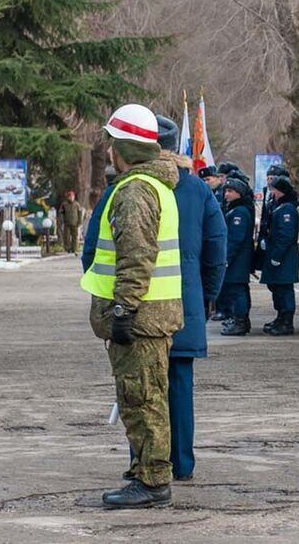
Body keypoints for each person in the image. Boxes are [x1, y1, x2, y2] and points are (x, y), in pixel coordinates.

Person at [83, 103, 183, 509]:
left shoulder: (136, 191)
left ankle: (154, 479)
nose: (108, 150)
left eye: (111, 142)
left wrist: (123, 309)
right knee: (145, 396)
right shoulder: (154, 186)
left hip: (140, 319)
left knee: (142, 400)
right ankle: (147, 469)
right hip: (150, 317)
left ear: (122, 147)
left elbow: (136, 257)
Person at [153, 115, 227, 481]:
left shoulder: (133, 185)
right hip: (185, 305)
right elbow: (217, 247)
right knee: (180, 386)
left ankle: (148, 461)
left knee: (146, 386)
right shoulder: (198, 190)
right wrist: (207, 296)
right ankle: (182, 463)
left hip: (141, 307)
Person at [260, 174, 299, 336]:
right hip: (276, 255)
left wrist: (277, 256)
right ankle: (280, 317)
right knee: (276, 288)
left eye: (274, 190)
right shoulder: (278, 207)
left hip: (284, 258)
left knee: (284, 290)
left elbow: (286, 236)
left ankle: (287, 321)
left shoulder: (287, 210)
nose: (272, 193)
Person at [219, 176, 255, 336]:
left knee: (237, 290)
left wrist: (227, 258)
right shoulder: (234, 209)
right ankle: (240, 319)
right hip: (237, 259)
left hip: (238, 260)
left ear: (239, 193)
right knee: (238, 289)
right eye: (226, 191)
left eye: (230, 191)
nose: (226, 194)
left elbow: (235, 238)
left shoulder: (239, 211)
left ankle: (240, 321)